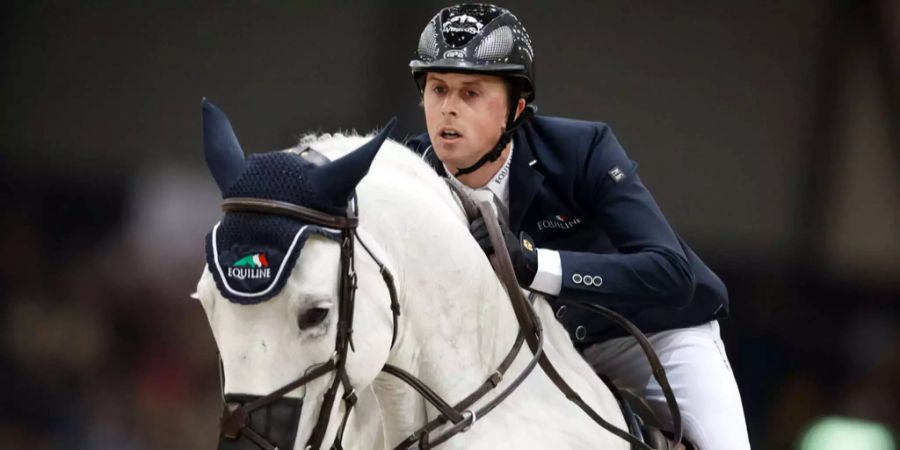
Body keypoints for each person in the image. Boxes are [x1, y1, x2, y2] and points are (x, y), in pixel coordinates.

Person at [403, 4, 751, 449]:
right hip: (532, 348)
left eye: (470, 93)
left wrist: (534, 265)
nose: (448, 109)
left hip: (648, 335)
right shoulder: (409, 172)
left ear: (516, 107)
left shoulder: (581, 151)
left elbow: (671, 273)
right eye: (438, 89)